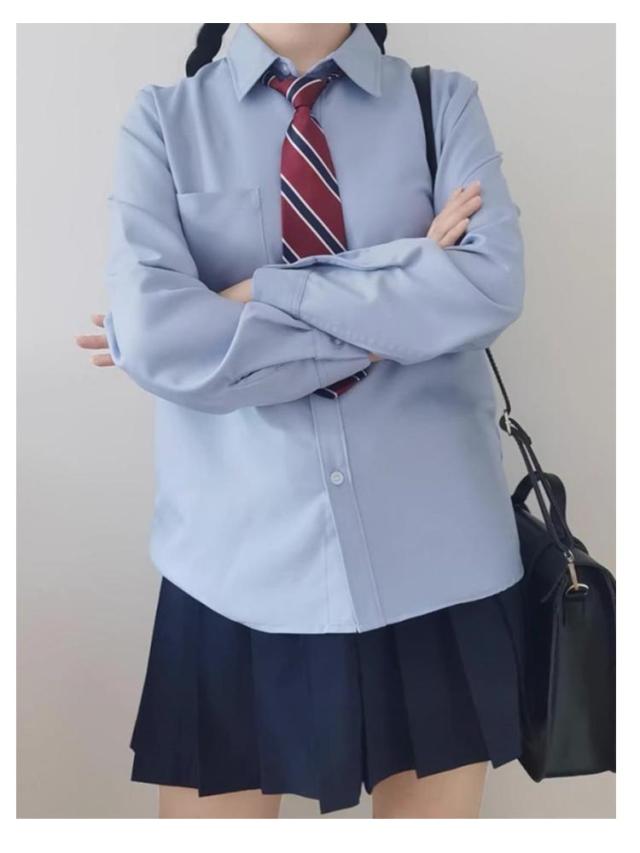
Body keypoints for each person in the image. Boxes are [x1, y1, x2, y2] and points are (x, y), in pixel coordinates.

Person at [76, 22, 526, 819]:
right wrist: (403, 280)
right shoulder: (163, 120)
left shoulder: (441, 104)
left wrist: (250, 295)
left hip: (440, 563)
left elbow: (486, 287)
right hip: (231, 569)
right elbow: (155, 340)